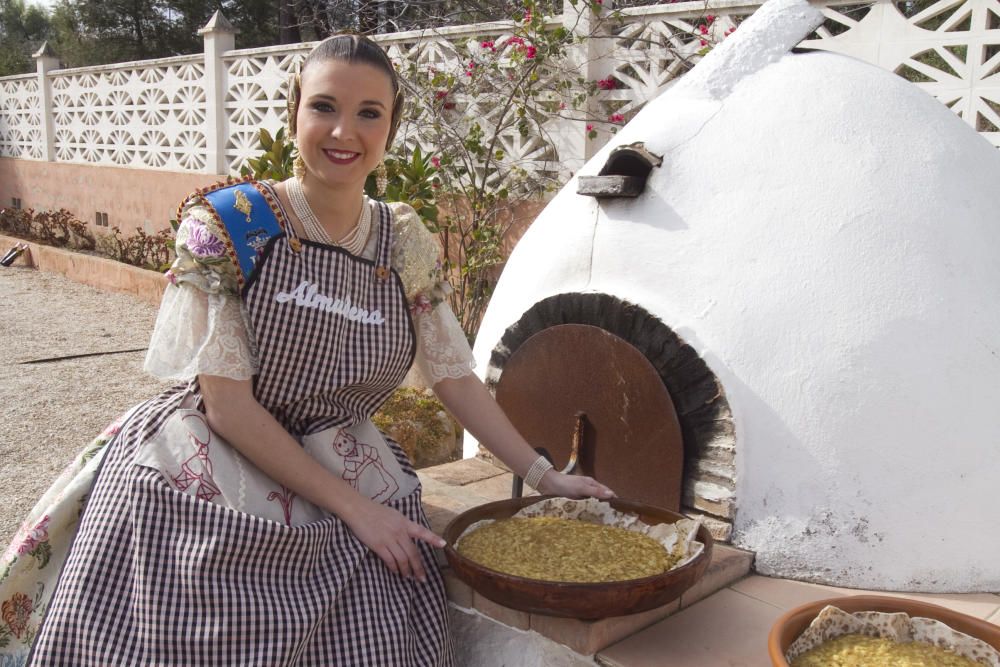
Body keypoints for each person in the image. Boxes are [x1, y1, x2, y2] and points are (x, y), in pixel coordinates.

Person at [0, 34, 614, 665]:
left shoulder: (402, 241)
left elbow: (454, 378)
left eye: (369, 112)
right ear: (295, 111)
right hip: (219, 458)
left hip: (346, 454)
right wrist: (360, 514)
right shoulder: (232, 224)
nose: (344, 130)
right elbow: (228, 408)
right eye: (324, 106)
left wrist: (546, 478)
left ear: (391, 127)